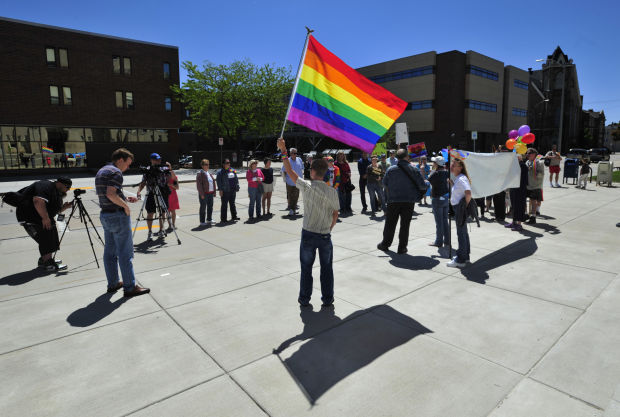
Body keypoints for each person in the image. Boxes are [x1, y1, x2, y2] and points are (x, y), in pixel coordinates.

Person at [277, 138, 340, 307]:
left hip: (308, 234)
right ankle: (328, 299)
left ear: (312, 172)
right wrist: (329, 228)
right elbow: (335, 213)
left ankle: (305, 299)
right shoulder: (332, 192)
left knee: (306, 269)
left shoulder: (306, 186)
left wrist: (283, 150)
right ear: (326, 172)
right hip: (325, 235)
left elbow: (289, 172)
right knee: (327, 269)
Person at [95, 148, 150, 297]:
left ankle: (113, 283)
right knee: (125, 253)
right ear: (120, 160)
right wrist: (125, 207)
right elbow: (110, 193)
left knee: (110, 252)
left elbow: (109, 194)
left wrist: (124, 199)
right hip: (117, 216)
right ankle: (130, 286)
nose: (128, 167)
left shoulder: (103, 170)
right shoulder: (115, 172)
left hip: (106, 214)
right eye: (127, 164)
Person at [16, 177, 73, 271]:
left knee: (51, 235)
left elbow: (54, 210)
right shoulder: (45, 186)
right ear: (59, 183)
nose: (68, 189)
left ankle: (45, 260)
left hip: (40, 217)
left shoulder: (56, 192)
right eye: (67, 187)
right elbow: (37, 201)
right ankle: (48, 264)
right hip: (30, 217)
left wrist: (65, 207)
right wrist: (45, 218)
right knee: (45, 238)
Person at [377, 149, 426, 254]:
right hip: (408, 201)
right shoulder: (414, 169)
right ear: (406, 157)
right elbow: (422, 185)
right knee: (405, 225)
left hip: (393, 201)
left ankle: (385, 244)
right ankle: (402, 247)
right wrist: (427, 183)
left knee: (390, 224)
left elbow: (384, 183)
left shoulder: (391, 169)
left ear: (397, 157)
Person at [136, 153, 170, 240]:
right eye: (156, 159)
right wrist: (139, 191)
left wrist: (170, 170)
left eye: (159, 159)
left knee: (162, 212)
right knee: (150, 213)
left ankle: (161, 230)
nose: (159, 160)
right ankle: (150, 231)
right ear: (151, 160)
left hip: (161, 192)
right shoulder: (147, 170)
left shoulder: (164, 168)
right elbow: (143, 182)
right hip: (151, 192)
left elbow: (171, 179)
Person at [447, 158, 472, 268]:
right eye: (452, 164)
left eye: (454, 165)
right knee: (463, 233)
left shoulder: (461, 179)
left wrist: (464, 206)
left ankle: (461, 259)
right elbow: (460, 191)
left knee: (461, 233)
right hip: (458, 208)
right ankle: (465, 256)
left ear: (460, 167)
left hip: (459, 209)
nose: (452, 166)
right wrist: (452, 184)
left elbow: (468, 193)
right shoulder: (459, 178)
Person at [427, 156, 450, 248]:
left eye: (434, 163)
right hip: (445, 198)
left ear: (437, 164)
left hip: (437, 199)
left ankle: (438, 241)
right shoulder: (447, 173)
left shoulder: (435, 174)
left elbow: (427, 182)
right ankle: (447, 240)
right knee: (445, 220)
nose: (433, 164)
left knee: (439, 222)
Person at [505, 154, 528, 231]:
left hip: (520, 190)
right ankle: (513, 222)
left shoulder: (523, 166)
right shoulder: (515, 166)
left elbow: (523, 180)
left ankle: (519, 224)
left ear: (519, 158)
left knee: (519, 207)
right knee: (514, 207)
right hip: (514, 189)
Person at [525, 148, 544, 224]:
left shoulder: (539, 162)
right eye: (527, 153)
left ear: (534, 154)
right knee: (524, 199)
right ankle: (526, 214)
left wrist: (534, 171)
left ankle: (533, 216)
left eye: (529, 153)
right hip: (527, 185)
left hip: (535, 185)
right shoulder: (527, 162)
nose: (528, 154)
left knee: (533, 201)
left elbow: (541, 174)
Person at [283, 147, 304, 216]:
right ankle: (291, 209)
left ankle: (293, 209)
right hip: (289, 181)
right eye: (293, 153)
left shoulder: (299, 159)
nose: (294, 154)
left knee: (296, 196)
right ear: (290, 153)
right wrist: (285, 179)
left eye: (295, 153)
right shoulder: (287, 160)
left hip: (298, 181)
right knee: (290, 196)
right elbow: (284, 171)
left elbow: (302, 169)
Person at [196, 159, 217, 226]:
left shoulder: (209, 173)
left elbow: (212, 183)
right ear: (202, 166)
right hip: (204, 194)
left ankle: (209, 219)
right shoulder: (200, 174)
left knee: (210, 207)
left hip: (210, 193)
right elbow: (199, 186)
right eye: (206, 164)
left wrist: (214, 192)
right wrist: (201, 194)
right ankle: (202, 221)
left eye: (208, 164)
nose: (207, 166)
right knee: (203, 207)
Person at [166, 162, 179, 231]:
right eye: (166, 166)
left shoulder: (174, 176)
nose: (167, 167)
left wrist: (171, 185)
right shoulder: (163, 175)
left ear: (170, 167)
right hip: (166, 195)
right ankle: (169, 225)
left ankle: (173, 224)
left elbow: (177, 187)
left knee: (173, 211)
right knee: (167, 211)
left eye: (168, 166)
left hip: (173, 195)